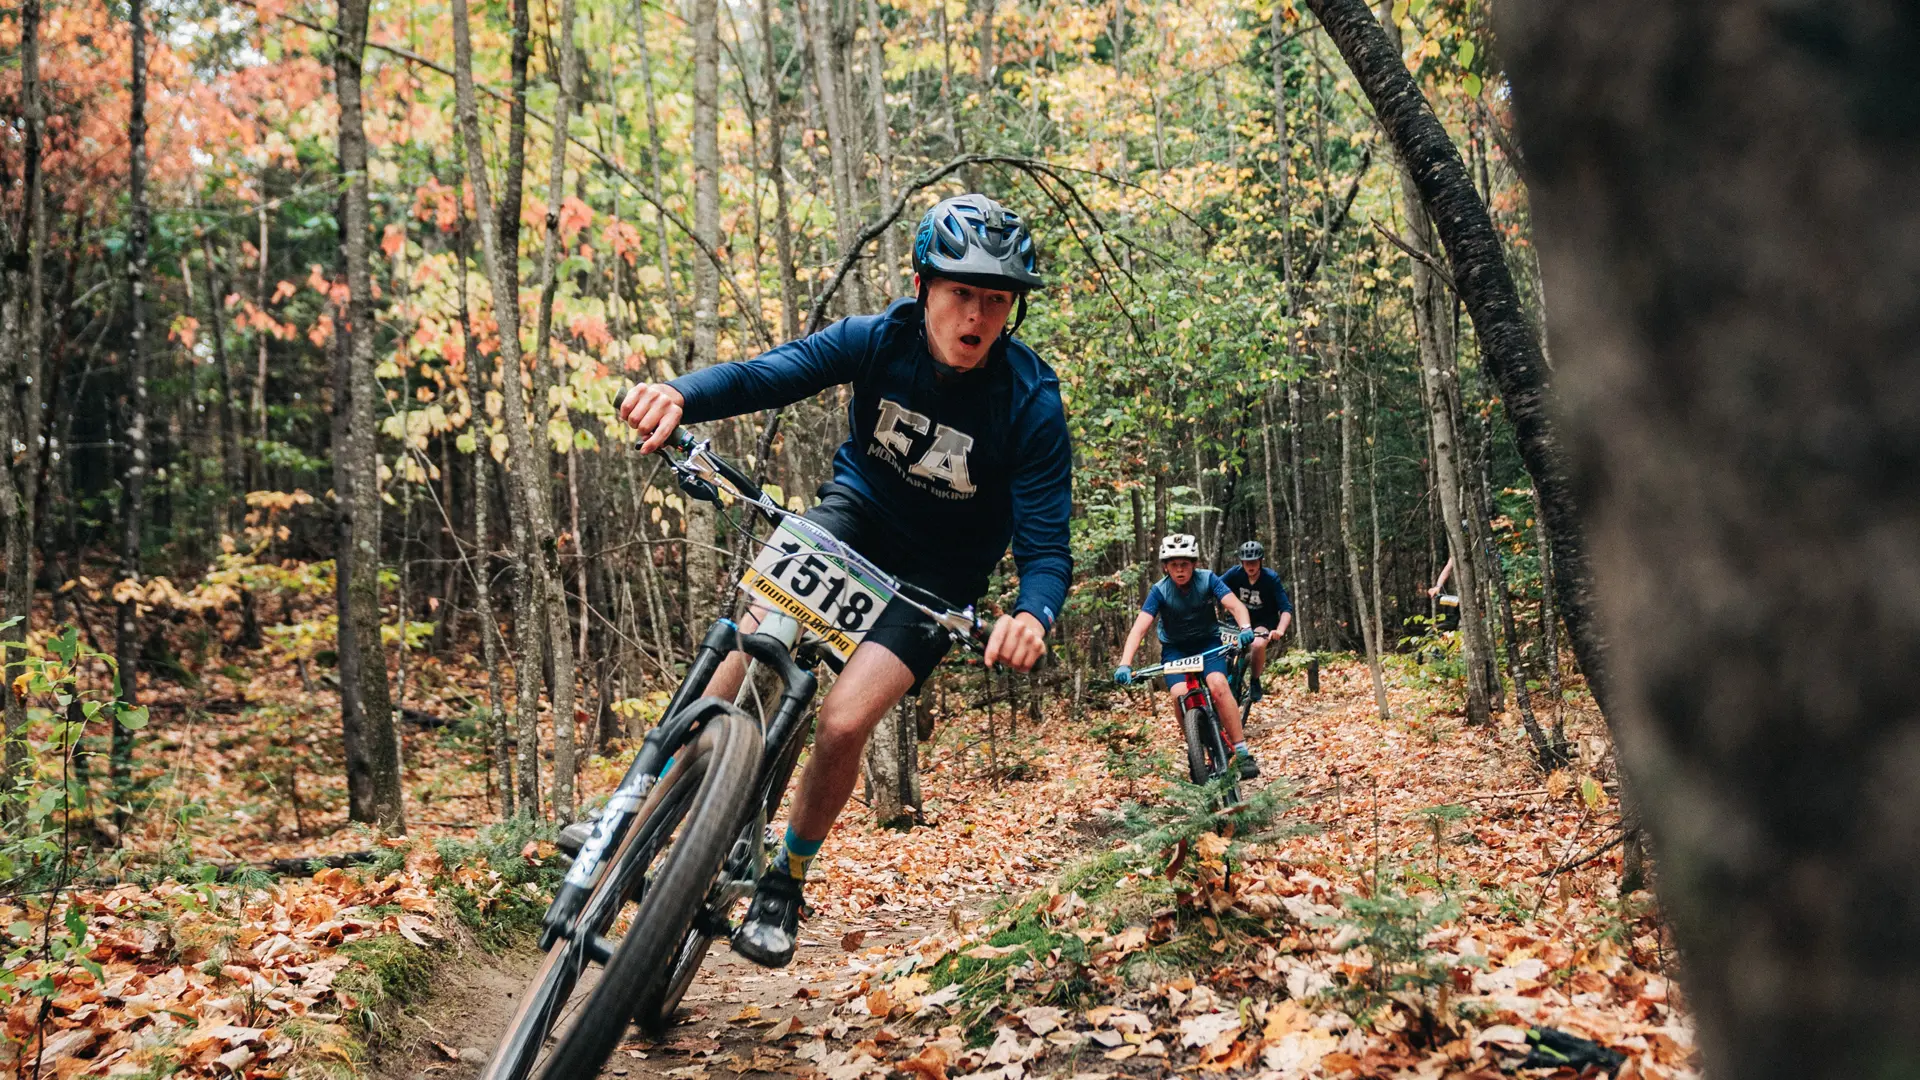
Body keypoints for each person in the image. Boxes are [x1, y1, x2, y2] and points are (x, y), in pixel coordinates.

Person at [616, 194, 1071, 968]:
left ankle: (785, 882)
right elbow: (773, 373)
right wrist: (681, 393)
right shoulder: (878, 340)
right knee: (756, 636)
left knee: (841, 722)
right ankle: (635, 803)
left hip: (938, 574)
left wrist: (1033, 612)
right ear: (925, 287)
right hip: (855, 516)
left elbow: (1045, 542)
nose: (978, 316)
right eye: (963, 293)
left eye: (997, 301)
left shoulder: (1030, 403)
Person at [1111, 534, 1262, 780]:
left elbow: (1236, 606)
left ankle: (1242, 752)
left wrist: (1245, 627)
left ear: (1193, 563)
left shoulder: (1208, 580)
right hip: (1176, 650)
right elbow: (1139, 628)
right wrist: (1124, 664)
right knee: (1179, 694)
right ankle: (1197, 753)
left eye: (1184, 564)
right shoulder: (1159, 591)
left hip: (1208, 644)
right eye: (1174, 565)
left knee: (1219, 686)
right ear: (1165, 567)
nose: (1180, 570)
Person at [1219, 540, 1292, 703]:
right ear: (1242, 563)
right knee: (1223, 648)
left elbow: (1286, 609)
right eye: (1246, 563)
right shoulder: (1234, 574)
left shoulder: (1270, 578)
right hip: (1237, 620)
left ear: (1260, 561)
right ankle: (1228, 681)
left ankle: (1255, 680)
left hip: (1263, 622)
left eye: (1254, 562)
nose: (1250, 566)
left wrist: (1279, 630)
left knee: (1258, 644)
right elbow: (1215, 587)